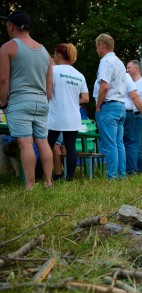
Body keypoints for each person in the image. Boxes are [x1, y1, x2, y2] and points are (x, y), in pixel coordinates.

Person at [0, 10, 54, 190]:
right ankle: (48, 182)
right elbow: (49, 86)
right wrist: (44, 101)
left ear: (11, 26)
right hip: (41, 102)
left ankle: (30, 185)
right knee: (43, 142)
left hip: (20, 101)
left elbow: (3, 80)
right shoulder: (45, 52)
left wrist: (3, 103)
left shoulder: (8, 47)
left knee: (25, 143)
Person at [45, 43, 89, 180]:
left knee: (47, 146)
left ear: (58, 54)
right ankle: (69, 178)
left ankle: (40, 175)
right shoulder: (79, 75)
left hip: (56, 116)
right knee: (71, 148)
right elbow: (85, 98)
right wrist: (71, 101)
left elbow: (48, 93)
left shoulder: (53, 71)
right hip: (73, 117)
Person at [93, 33, 127, 180]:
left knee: (110, 144)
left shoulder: (105, 62)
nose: (96, 50)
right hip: (120, 105)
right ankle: (121, 174)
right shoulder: (120, 62)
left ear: (101, 45)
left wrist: (98, 105)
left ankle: (112, 176)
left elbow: (105, 86)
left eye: (96, 47)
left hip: (109, 106)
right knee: (119, 143)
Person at [123, 72, 142, 175]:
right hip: (131, 113)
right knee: (131, 143)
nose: (127, 69)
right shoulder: (128, 78)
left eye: (129, 67)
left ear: (136, 68)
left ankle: (140, 169)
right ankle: (131, 170)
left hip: (138, 115)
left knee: (137, 143)